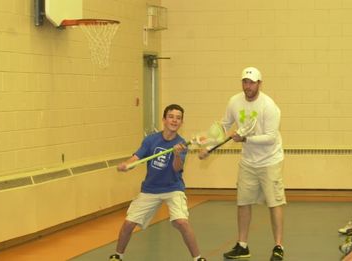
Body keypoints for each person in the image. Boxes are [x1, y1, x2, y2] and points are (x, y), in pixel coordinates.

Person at [199, 67, 285, 260]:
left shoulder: (269, 106)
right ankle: (242, 245)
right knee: (243, 202)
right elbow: (224, 126)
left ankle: (278, 246)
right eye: (245, 82)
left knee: (275, 202)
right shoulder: (234, 102)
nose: (248, 86)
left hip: (270, 159)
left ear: (259, 84)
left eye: (252, 82)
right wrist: (208, 145)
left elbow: (271, 138)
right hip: (248, 160)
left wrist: (245, 139)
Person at [109, 104, 206, 261]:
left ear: (181, 122)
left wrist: (176, 154)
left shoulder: (181, 144)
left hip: (173, 188)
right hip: (150, 189)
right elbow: (137, 157)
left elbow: (177, 169)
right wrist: (127, 165)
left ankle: (198, 258)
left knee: (182, 222)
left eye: (178, 118)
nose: (174, 120)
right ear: (164, 120)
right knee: (128, 223)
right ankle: (118, 256)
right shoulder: (151, 140)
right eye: (171, 117)